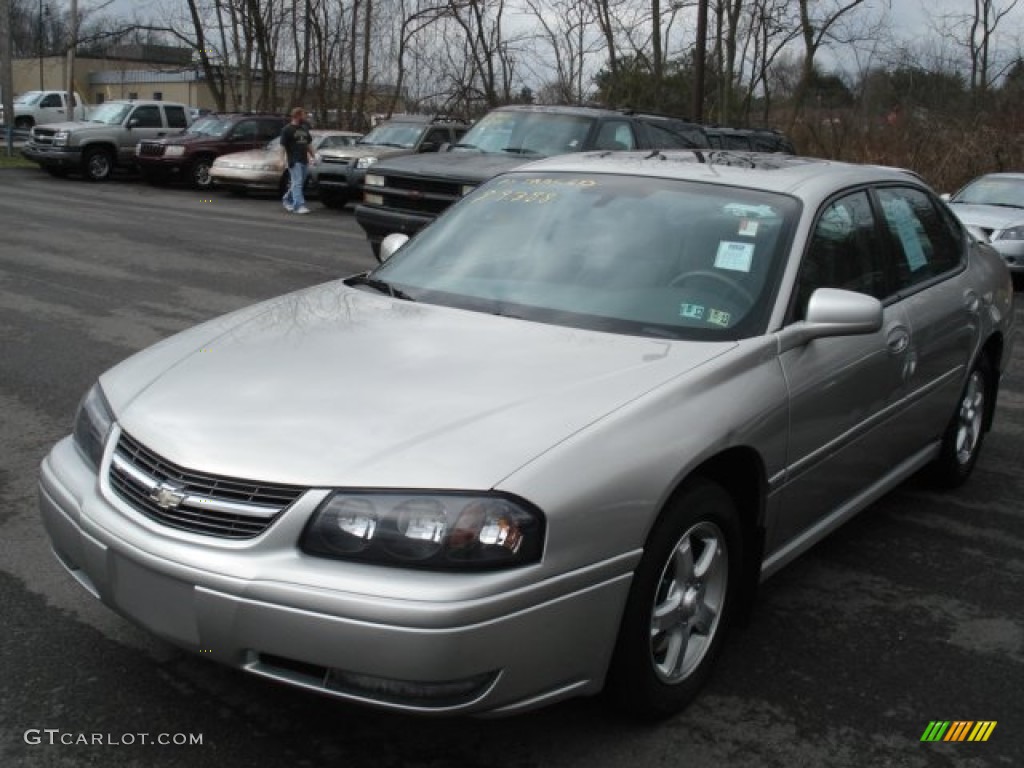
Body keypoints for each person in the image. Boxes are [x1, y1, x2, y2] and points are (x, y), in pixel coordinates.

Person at [281, 107, 315, 214]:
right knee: (297, 183)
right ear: (297, 115)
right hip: (294, 160)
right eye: (303, 114)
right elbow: (283, 146)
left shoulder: (304, 128)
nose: (305, 117)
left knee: (298, 182)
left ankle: (287, 199)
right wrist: (282, 160)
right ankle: (298, 206)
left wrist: (313, 156)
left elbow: (308, 144)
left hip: (304, 159)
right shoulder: (287, 129)